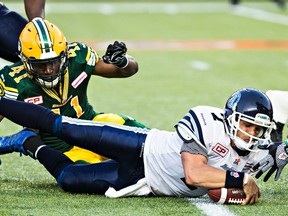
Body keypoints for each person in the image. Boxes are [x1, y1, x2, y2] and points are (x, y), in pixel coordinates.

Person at [0, 88, 284, 205]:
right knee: (64, 127)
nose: (252, 134)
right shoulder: (207, 121)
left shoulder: (260, 154)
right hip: (140, 147)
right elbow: (194, 174)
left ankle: (28, 142)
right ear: (230, 118)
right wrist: (242, 180)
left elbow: (215, 188)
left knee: (68, 179)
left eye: (259, 129)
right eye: (247, 125)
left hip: (144, 182)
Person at [0, 17, 147, 164]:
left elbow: (128, 70)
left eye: (54, 62)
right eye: (41, 65)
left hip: (92, 125)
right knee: (94, 177)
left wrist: (122, 61)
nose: (49, 70)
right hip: (65, 148)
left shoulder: (77, 56)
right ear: (25, 62)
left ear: (65, 54)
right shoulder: (13, 80)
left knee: (143, 139)